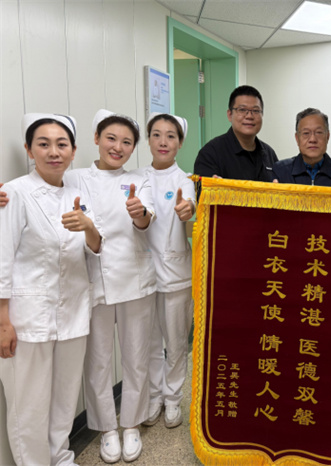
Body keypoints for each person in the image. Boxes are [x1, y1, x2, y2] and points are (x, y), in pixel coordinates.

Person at [0, 114, 102, 465]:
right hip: (28, 318)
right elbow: (2, 257)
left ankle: (61, 458)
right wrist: (3, 320)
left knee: (64, 397)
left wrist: (88, 226)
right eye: (43, 144)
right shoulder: (14, 193)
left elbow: (95, 248)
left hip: (73, 312)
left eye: (62, 144)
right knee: (28, 405)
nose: (53, 152)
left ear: (74, 151)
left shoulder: (77, 195)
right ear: (29, 150)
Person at [64, 109, 157, 463]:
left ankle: (131, 423)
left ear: (134, 147)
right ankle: (106, 429)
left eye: (127, 142)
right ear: (96, 139)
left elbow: (147, 219)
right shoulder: (74, 178)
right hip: (93, 280)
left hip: (135, 279)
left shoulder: (139, 179)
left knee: (136, 356)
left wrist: (139, 213)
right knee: (98, 361)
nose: (118, 147)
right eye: (111, 139)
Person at [132, 113, 195, 430]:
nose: (163, 141)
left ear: (180, 143)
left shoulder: (185, 180)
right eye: (156, 134)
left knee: (176, 343)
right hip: (142, 274)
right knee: (150, 342)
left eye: (171, 136)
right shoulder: (137, 177)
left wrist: (187, 209)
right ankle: (154, 397)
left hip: (175, 275)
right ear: (148, 140)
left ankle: (173, 399)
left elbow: (190, 206)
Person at [193, 85, 277, 184]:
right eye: (242, 110)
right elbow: (203, 191)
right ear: (230, 115)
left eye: (256, 111)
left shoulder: (269, 154)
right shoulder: (210, 153)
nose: (249, 116)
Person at [272, 107, 331, 187]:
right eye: (306, 133)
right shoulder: (280, 171)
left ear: (327, 136)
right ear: (297, 138)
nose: (312, 139)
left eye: (319, 132)